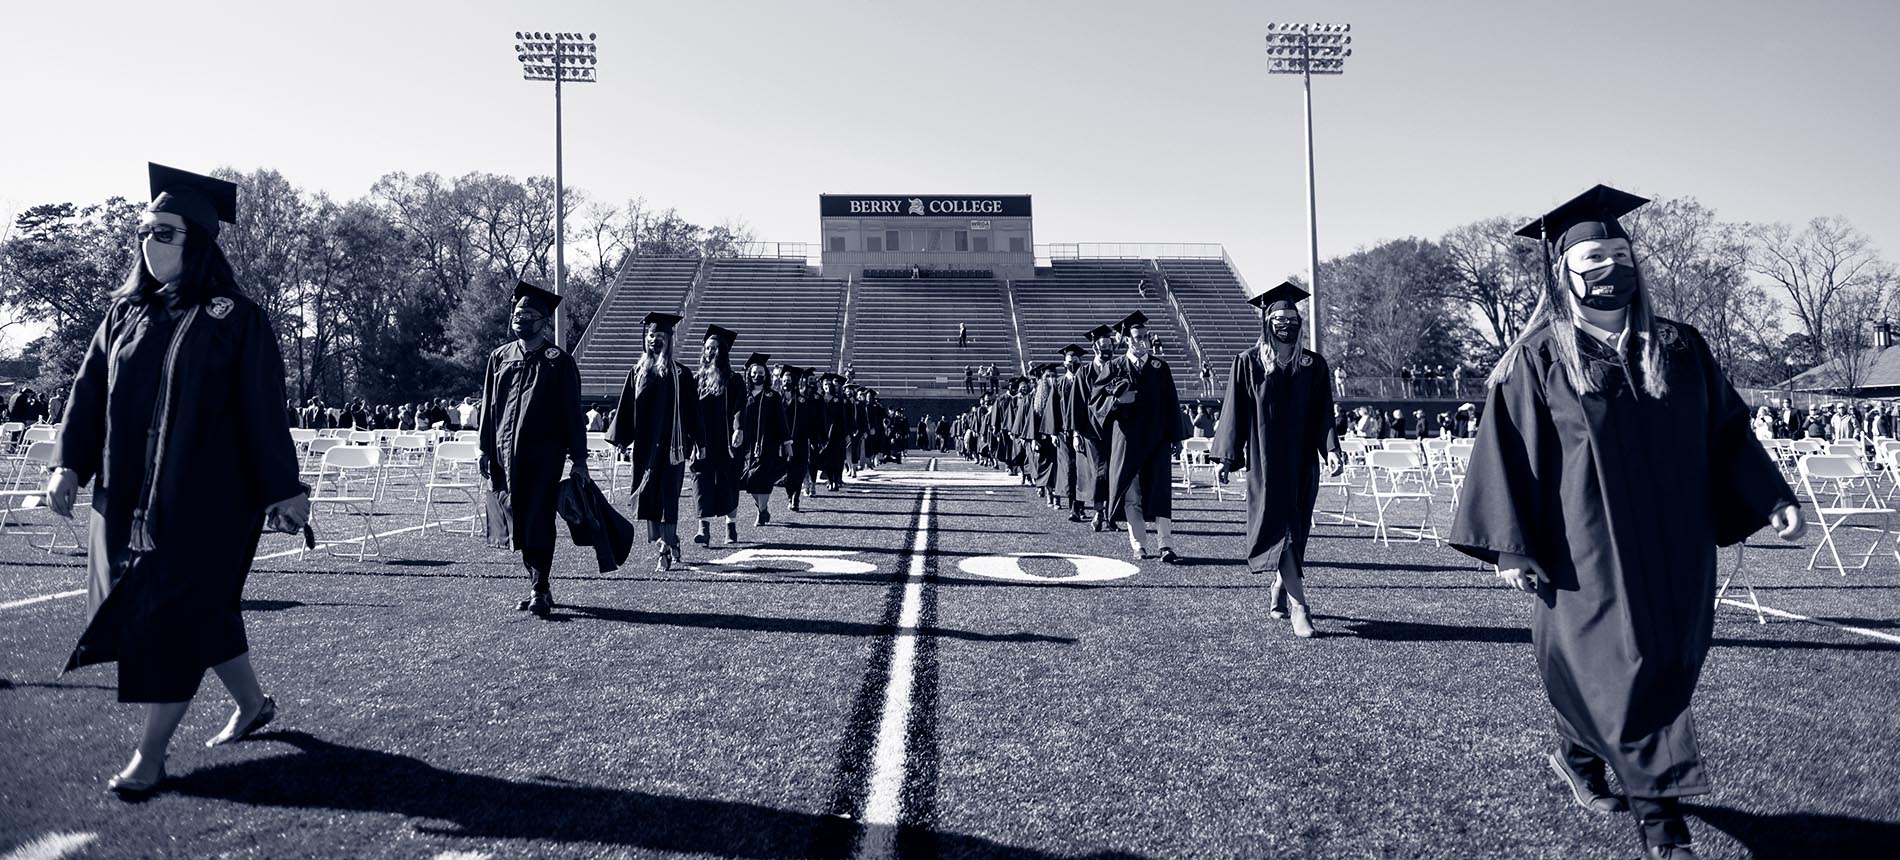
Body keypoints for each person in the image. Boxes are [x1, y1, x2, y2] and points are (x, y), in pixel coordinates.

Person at [1450, 185, 1805, 860]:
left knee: (1656, 670)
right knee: (1625, 675)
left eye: (1619, 253)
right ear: (1563, 272)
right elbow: (1507, 452)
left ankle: (1576, 760)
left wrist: (1771, 495)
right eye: (1592, 255)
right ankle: (1663, 828)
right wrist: (1508, 549)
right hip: (1585, 554)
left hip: (1679, 547)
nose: (1610, 267)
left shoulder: (1679, 346)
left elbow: (1727, 433)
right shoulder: (1540, 358)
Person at [48, 163, 308, 796]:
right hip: (125, 497)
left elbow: (263, 408)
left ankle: (150, 756)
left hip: (209, 504)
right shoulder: (122, 316)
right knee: (201, 613)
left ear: (196, 241)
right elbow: (86, 398)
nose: (149, 241)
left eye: (164, 231)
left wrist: (283, 488)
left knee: (172, 617)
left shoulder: (234, 319)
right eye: (144, 229)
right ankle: (253, 705)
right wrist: (68, 465)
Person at [1212, 282, 1341, 638]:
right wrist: (1226, 456)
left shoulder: (1313, 364)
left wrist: (1331, 449)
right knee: (1278, 528)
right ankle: (1301, 607)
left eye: (1292, 317)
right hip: (1264, 461)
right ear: (1267, 322)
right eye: (1279, 318)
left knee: (1296, 532)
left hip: (1301, 462)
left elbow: (1323, 413)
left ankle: (1280, 587)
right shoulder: (1248, 363)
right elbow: (1233, 412)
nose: (1287, 323)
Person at [478, 281, 591, 617]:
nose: (521, 318)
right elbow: (489, 407)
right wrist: (484, 449)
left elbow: (572, 414)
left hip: (544, 456)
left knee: (539, 518)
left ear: (543, 321)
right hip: (504, 453)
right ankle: (536, 584)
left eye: (528, 313)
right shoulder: (500, 357)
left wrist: (579, 459)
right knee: (517, 517)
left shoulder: (559, 361)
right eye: (517, 313)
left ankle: (540, 587)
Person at [607, 312, 701, 570]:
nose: (655, 341)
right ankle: (667, 540)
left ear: (670, 340)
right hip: (646, 447)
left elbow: (693, 411)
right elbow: (626, 408)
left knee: (668, 497)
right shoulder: (637, 372)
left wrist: (700, 443)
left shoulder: (681, 374)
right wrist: (621, 440)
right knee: (648, 497)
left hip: (674, 446)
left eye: (660, 337)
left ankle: (665, 548)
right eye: (651, 336)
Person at [1090, 311, 1184, 562]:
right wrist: (1117, 401)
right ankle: (1139, 544)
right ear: (1126, 340)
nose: (1141, 341)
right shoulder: (1114, 367)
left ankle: (1166, 545)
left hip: (1157, 439)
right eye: (1136, 337)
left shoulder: (1159, 367)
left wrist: (1177, 438)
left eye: (1144, 336)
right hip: (1127, 440)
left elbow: (1172, 404)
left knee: (1161, 491)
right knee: (1131, 494)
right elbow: (1095, 402)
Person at [690, 325, 744, 546]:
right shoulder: (697, 379)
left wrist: (738, 428)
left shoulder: (734, 379)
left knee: (728, 481)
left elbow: (740, 407)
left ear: (723, 351)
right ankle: (703, 528)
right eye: (707, 348)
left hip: (727, 439)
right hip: (702, 439)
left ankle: (730, 526)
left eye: (714, 348)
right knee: (700, 480)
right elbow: (689, 410)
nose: (710, 352)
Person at [735, 353, 789, 526]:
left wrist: (786, 442)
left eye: (760, 372)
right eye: (753, 372)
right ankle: (763, 509)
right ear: (748, 375)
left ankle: (761, 512)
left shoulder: (773, 396)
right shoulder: (743, 394)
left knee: (763, 478)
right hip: (746, 443)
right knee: (749, 479)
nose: (757, 376)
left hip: (768, 442)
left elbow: (782, 420)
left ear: (765, 375)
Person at [814, 373, 853, 490]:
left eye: (830, 384)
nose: (827, 386)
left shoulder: (838, 400)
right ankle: (830, 480)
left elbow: (843, 418)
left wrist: (846, 434)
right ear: (822, 385)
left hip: (837, 433)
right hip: (823, 433)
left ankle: (836, 480)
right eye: (825, 384)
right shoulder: (819, 399)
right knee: (827, 458)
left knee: (837, 458)